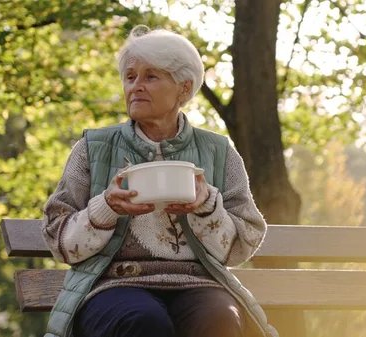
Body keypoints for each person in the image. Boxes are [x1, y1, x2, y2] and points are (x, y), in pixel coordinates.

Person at [41, 25, 278, 337]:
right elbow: (58, 239)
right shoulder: (92, 148)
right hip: (114, 285)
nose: (136, 86)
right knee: (143, 320)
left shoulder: (219, 152)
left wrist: (206, 206)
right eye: (130, 77)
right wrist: (107, 208)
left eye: (150, 76)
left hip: (199, 283)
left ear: (184, 87)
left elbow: (241, 246)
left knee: (220, 318)